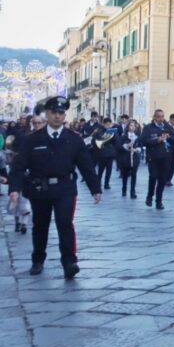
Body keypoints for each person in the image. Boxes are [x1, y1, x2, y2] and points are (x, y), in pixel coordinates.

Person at [8, 96, 102, 279]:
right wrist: (14, 188)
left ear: (64, 115)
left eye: (61, 113)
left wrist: (95, 188)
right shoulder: (32, 139)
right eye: (54, 113)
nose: (57, 116)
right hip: (39, 189)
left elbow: (86, 165)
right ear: (47, 114)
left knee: (65, 224)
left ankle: (69, 262)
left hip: (65, 188)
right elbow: (19, 166)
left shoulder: (74, 139)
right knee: (40, 225)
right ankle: (38, 259)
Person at [140, 110, 174, 211]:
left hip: (166, 157)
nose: (161, 119)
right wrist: (157, 140)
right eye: (158, 117)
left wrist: (169, 137)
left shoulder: (167, 127)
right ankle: (149, 196)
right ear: (154, 117)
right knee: (153, 177)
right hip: (153, 157)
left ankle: (159, 201)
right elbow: (143, 141)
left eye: (162, 116)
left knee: (162, 179)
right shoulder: (148, 128)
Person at [90, 117, 118, 190]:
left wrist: (114, 135)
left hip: (110, 154)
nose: (108, 125)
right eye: (107, 124)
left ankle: (106, 183)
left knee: (109, 170)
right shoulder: (99, 131)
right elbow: (96, 141)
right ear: (103, 124)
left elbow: (116, 141)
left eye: (109, 124)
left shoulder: (112, 131)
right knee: (101, 169)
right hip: (102, 153)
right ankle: (98, 182)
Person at [116, 119, 142, 198]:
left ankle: (132, 191)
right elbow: (119, 146)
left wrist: (136, 149)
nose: (132, 127)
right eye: (131, 125)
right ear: (128, 126)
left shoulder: (137, 137)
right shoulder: (123, 136)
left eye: (134, 126)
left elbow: (141, 146)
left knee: (134, 175)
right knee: (125, 175)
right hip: (125, 158)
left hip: (134, 158)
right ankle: (124, 189)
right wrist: (127, 146)